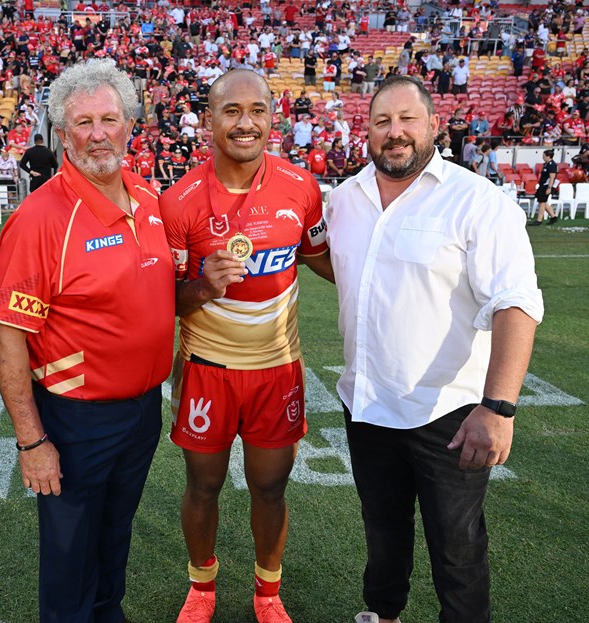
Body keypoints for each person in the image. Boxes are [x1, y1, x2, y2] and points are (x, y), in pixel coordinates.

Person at [326, 75, 544, 623]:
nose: (394, 133)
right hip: (367, 403)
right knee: (382, 528)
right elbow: (350, 270)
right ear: (366, 131)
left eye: (407, 120)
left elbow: (516, 302)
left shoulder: (477, 200)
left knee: (458, 547)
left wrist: (497, 408)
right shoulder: (345, 200)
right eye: (382, 122)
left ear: (433, 126)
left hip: (449, 411)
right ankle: (384, 614)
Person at [0, 59, 175, 623]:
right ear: (62, 135)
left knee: (114, 539)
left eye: (110, 119)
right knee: (70, 557)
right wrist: (30, 440)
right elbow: (5, 340)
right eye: (84, 122)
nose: (98, 133)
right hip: (74, 419)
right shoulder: (41, 217)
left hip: (142, 411)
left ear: (129, 125)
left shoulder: (146, 196)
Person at [160, 69, 333, 623]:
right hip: (207, 369)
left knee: (270, 486)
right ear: (209, 120)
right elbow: (167, 301)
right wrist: (204, 285)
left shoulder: (301, 187)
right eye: (231, 111)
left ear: (271, 119)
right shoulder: (180, 201)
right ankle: (202, 586)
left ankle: (267, 593)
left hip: (277, 369)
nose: (245, 122)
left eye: (257, 110)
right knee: (203, 485)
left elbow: (326, 261)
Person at [529, 148, 559, 226]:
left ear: (548, 156)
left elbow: (552, 177)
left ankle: (539, 220)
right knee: (542, 201)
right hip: (542, 185)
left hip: (547, 185)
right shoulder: (545, 164)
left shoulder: (552, 165)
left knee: (542, 202)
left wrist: (549, 188)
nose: (543, 157)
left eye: (544, 156)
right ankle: (553, 216)